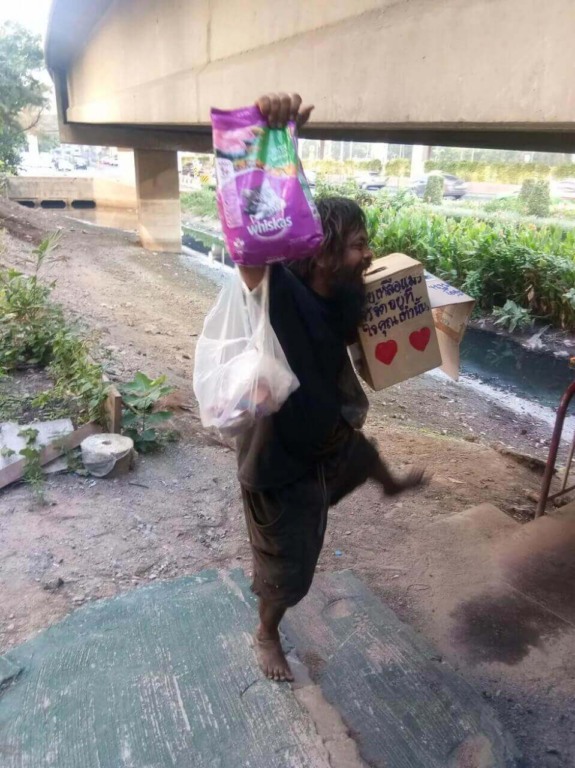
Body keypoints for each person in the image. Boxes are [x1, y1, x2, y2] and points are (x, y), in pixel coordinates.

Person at [237, 93, 428, 682]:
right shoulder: (285, 298)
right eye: (356, 245)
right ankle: (266, 630)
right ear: (320, 251)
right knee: (293, 571)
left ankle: (386, 483)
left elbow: (393, 324)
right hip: (281, 462)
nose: (367, 254)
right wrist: (274, 142)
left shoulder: (345, 296)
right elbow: (252, 246)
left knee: (363, 455)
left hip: (329, 443)